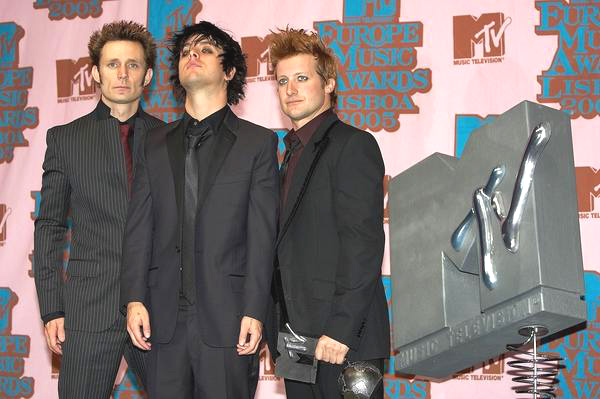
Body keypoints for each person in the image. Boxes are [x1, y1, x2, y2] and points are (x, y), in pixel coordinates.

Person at [120, 21, 279, 398]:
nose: (192, 55)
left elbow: (262, 236)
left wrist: (255, 309)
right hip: (161, 321)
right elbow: (139, 226)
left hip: (228, 321)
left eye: (205, 50)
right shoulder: (153, 143)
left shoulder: (258, 143)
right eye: (186, 51)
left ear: (230, 71)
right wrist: (134, 298)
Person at [34, 21, 164, 398]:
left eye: (133, 65)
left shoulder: (169, 139)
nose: (122, 74)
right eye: (112, 64)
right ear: (95, 73)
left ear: (148, 75)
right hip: (89, 311)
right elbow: (49, 227)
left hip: (158, 308)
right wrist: (51, 308)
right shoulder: (66, 139)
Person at [266, 28, 390, 398]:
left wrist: (340, 329)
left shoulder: (353, 145)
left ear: (329, 83)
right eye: (283, 80)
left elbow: (363, 244)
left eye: (302, 78)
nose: (291, 89)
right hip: (296, 340)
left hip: (342, 339)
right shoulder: (288, 155)